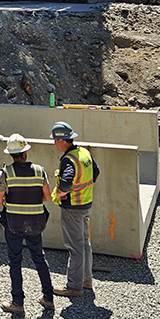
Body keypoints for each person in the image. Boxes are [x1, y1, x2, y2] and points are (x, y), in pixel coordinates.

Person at [0, 133, 54, 314]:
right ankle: (48, 297)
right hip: (35, 222)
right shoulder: (39, 171)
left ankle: (17, 302)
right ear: (25, 152)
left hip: (13, 223)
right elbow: (47, 197)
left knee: (15, 261)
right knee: (39, 258)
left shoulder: (5, 173)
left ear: (11, 155)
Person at [50, 121, 100, 297]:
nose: (54, 143)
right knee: (84, 243)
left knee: (75, 247)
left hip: (73, 208)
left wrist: (62, 192)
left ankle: (73, 286)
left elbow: (66, 182)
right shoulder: (84, 152)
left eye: (55, 140)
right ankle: (86, 280)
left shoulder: (68, 160)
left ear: (62, 140)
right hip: (86, 205)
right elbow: (96, 172)